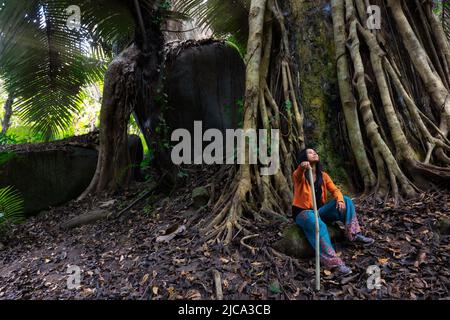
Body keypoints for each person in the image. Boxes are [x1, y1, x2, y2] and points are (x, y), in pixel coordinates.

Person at [292, 148, 374, 276]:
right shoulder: (300, 175)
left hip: (319, 211)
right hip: (303, 212)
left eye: (315, 152)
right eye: (310, 152)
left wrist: (340, 200)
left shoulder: (323, 176)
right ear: (304, 158)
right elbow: (297, 174)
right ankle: (334, 262)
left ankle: (353, 234)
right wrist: (302, 167)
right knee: (319, 225)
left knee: (347, 200)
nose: (314, 153)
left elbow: (335, 190)